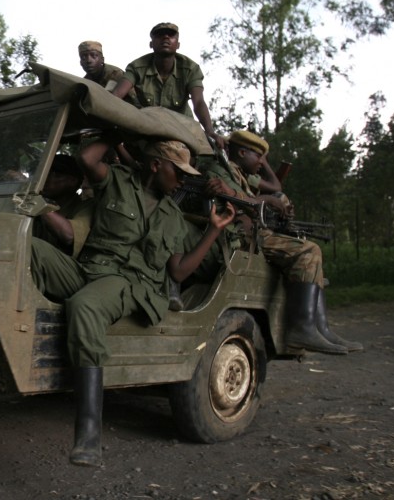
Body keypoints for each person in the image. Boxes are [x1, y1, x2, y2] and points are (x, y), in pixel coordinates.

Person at [30, 137, 235, 467]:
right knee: (32, 251)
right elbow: (85, 157)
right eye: (177, 172)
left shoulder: (173, 216)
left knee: (86, 306)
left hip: (131, 284)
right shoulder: (117, 181)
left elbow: (179, 272)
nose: (182, 180)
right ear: (156, 166)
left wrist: (213, 230)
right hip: (88, 269)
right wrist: (116, 123)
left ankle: (88, 434)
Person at [201, 130, 362, 355]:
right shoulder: (220, 171)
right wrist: (268, 201)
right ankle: (302, 330)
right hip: (235, 236)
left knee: (306, 247)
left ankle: (321, 329)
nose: (261, 162)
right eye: (258, 156)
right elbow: (239, 201)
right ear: (242, 152)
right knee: (308, 251)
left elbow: (265, 191)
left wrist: (275, 206)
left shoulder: (237, 173)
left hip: (248, 233)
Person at [111, 23, 224, 150]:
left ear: (178, 44)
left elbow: (198, 102)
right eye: (159, 35)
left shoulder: (190, 69)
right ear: (151, 44)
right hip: (150, 128)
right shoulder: (137, 67)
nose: (165, 37)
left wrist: (209, 131)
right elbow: (116, 96)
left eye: (171, 35)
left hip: (183, 129)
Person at [33, 154, 95, 259]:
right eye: (44, 173)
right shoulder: (40, 202)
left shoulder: (85, 206)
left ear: (72, 181)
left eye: (55, 174)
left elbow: (69, 235)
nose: (45, 179)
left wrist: (38, 201)